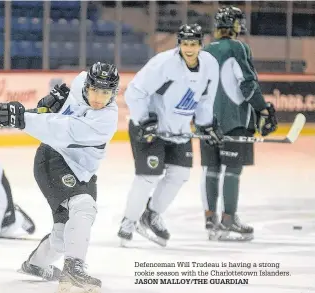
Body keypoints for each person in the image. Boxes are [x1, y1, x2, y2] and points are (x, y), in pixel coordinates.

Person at [0, 62, 119, 292]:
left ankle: (35, 265)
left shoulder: (106, 121)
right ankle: (74, 268)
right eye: (95, 90)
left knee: (64, 235)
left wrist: (19, 118)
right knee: (84, 207)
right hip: (53, 159)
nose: (99, 97)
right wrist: (55, 100)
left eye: (106, 93)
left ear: (113, 94)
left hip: (80, 169)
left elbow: (61, 129)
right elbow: (61, 102)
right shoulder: (79, 83)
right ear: (87, 86)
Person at [117, 24, 221, 247]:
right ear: (179, 44)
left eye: (194, 44)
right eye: (185, 44)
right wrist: (145, 120)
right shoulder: (164, 64)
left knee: (180, 174)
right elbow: (135, 91)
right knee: (148, 176)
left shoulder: (210, 66)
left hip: (179, 131)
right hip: (150, 128)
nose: (189, 48)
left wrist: (207, 125)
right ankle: (129, 221)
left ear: (201, 45)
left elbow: (205, 100)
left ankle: (151, 214)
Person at [200, 7, 278, 241]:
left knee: (211, 170)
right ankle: (228, 219)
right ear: (235, 25)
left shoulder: (204, 50)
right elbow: (247, 85)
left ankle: (210, 220)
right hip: (235, 121)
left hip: (207, 122)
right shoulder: (238, 47)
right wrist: (263, 109)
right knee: (232, 171)